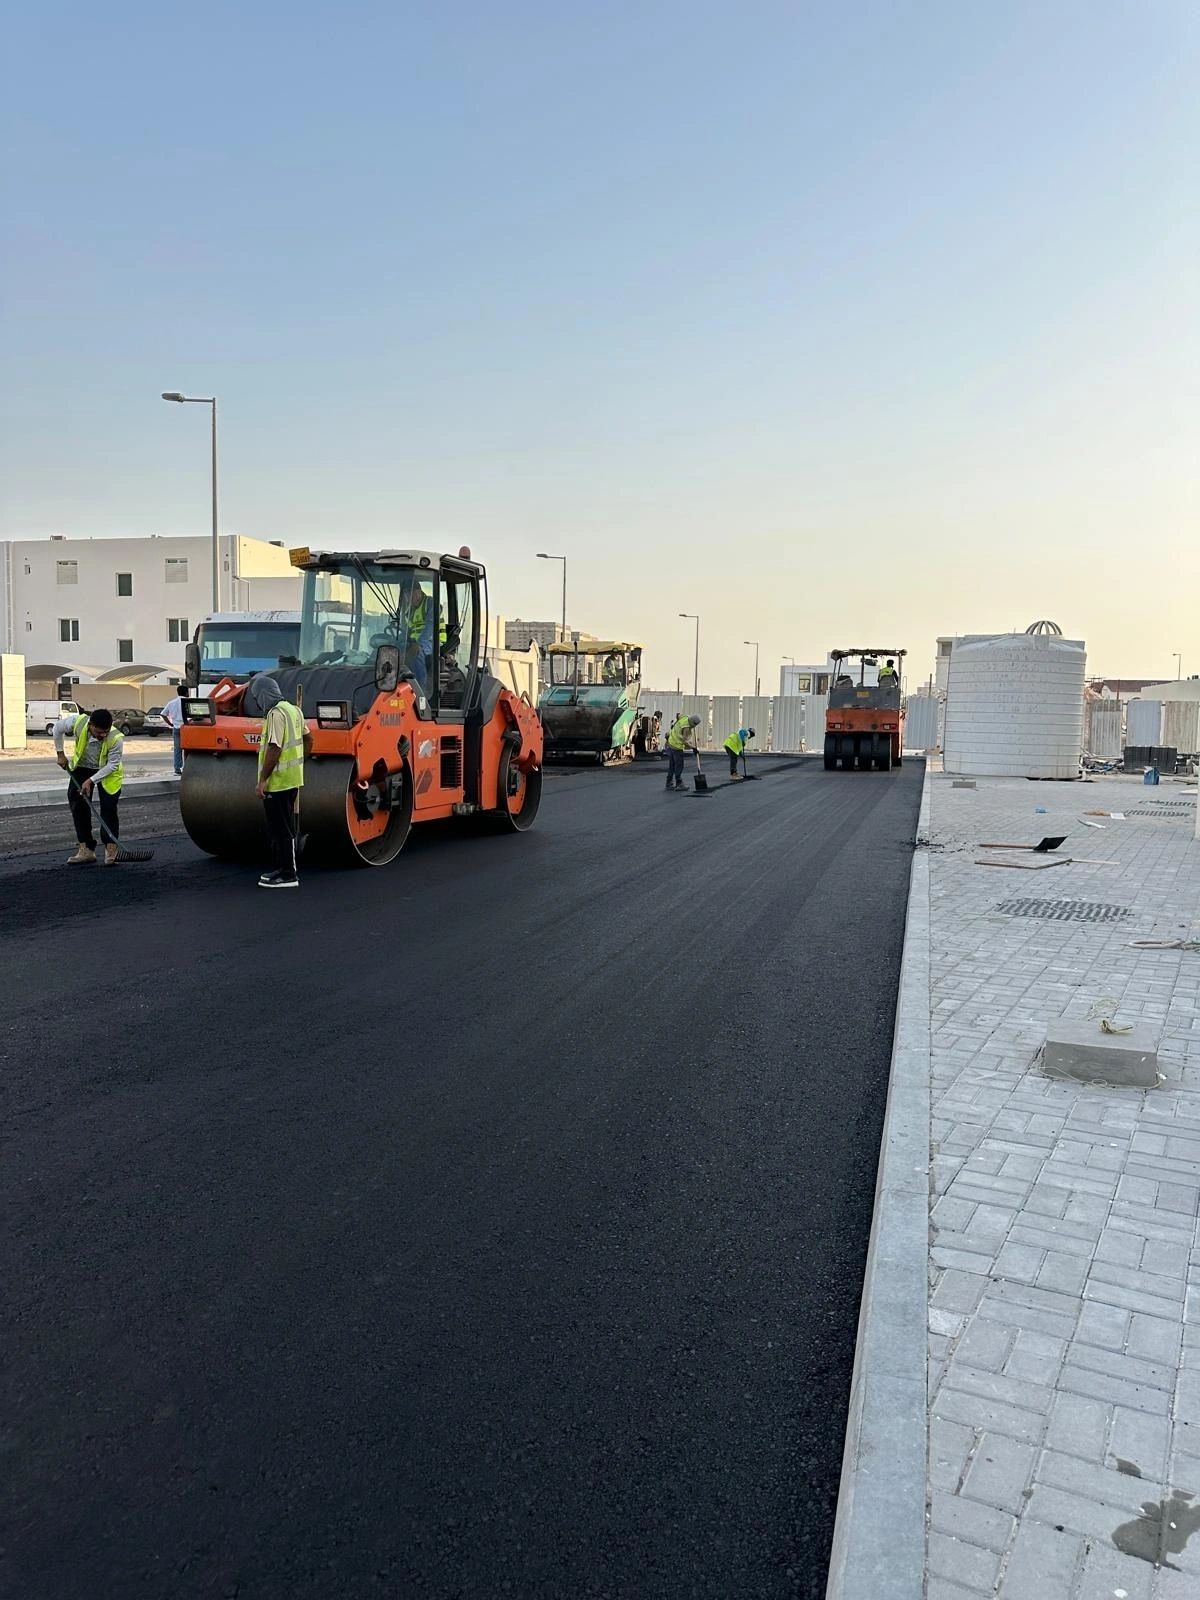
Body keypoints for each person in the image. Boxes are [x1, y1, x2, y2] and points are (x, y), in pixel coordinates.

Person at [253, 678, 312, 889]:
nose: (257, 702)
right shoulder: (294, 710)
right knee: (281, 827)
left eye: (257, 696)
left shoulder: (275, 714)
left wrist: (262, 780)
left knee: (282, 829)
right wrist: (300, 762)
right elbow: (309, 738)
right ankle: (281, 869)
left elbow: (275, 748)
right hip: (292, 780)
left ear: (263, 694)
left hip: (278, 783)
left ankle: (289, 874)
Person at [54, 707, 124, 866]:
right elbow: (57, 728)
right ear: (90, 725)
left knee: (108, 808)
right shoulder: (77, 723)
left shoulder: (116, 738)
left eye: (105, 732)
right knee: (78, 806)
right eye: (99, 732)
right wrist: (60, 754)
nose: (103, 735)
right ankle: (86, 849)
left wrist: (91, 781)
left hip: (108, 772)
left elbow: (112, 765)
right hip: (82, 767)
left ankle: (111, 849)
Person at [665, 713, 700, 791]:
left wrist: (674, 724)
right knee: (679, 765)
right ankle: (679, 783)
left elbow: (678, 715)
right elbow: (685, 741)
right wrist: (693, 748)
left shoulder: (685, 717)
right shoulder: (686, 728)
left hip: (671, 742)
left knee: (672, 765)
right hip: (677, 746)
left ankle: (669, 783)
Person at [161, 691, 185, 776]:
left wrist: (170, 723)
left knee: (177, 749)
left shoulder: (171, 703)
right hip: (186, 728)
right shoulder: (188, 702)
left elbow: (163, 714)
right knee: (188, 748)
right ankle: (187, 768)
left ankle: (177, 769)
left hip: (176, 728)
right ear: (187, 693)